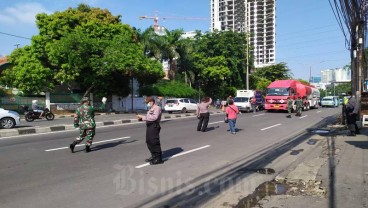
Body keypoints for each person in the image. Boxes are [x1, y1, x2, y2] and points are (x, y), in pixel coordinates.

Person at [136, 97, 163, 165]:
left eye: (147, 103)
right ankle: (153, 156)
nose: (147, 104)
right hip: (149, 126)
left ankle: (158, 158)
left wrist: (143, 117)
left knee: (154, 142)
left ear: (151, 102)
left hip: (154, 126)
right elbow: (149, 117)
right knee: (148, 141)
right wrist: (141, 119)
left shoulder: (156, 108)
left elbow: (154, 117)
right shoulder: (151, 108)